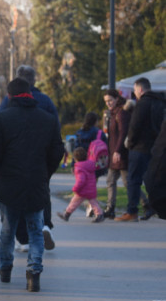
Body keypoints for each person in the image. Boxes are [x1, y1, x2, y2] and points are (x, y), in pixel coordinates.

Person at [0, 78, 64, 293]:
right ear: (29, 93)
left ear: (10, 96)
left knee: (8, 230)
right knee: (36, 230)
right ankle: (33, 271)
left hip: (9, 180)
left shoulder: (3, 119)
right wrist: (46, 172)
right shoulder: (47, 119)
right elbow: (57, 150)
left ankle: (5, 268)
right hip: (36, 181)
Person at [0, 65, 58, 251]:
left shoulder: (7, 101)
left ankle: (22, 239)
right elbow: (56, 132)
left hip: (14, 159)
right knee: (41, 193)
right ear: (34, 80)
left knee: (16, 199)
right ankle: (44, 225)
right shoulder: (45, 101)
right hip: (40, 158)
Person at [116, 77, 164, 221]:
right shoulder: (160, 102)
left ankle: (132, 211)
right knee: (153, 178)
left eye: (135, 90)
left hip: (139, 147)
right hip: (156, 147)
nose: (134, 93)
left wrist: (130, 143)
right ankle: (152, 207)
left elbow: (135, 126)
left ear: (140, 89)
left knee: (133, 180)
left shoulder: (142, 103)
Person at [103, 89, 147, 219]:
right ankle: (110, 208)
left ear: (117, 98)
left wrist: (117, 150)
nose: (108, 103)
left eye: (110, 100)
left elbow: (123, 133)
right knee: (112, 180)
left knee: (128, 182)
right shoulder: (114, 112)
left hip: (121, 153)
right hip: (115, 153)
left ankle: (146, 205)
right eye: (106, 101)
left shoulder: (121, 113)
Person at [57, 147, 105, 223]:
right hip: (91, 189)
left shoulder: (79, 167)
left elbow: (81, 180)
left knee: (74, 202)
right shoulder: (91, 164)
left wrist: (75, 188)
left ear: (75, 159)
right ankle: (100, 214)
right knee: (94, 203)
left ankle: (66, 214)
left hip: (82, 190)